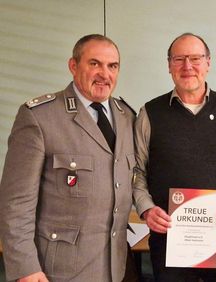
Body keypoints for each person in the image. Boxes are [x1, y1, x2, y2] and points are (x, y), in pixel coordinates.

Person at [0, 34, 138, 282]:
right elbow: (15, 203)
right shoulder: (40, 117)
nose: (104, 74)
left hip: (117, 267)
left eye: (112, 66)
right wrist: (25, 268)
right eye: (94, 63)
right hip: (58, 270)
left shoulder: (127, 117)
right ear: (73, 66)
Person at [132, 32, 216, 282]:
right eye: (179, 59)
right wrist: (146, 209)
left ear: (208, 63)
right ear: (169, 65)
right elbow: (137, 172)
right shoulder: (149, 113)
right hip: (169, 242)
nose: (187, 66)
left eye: (195, 58)